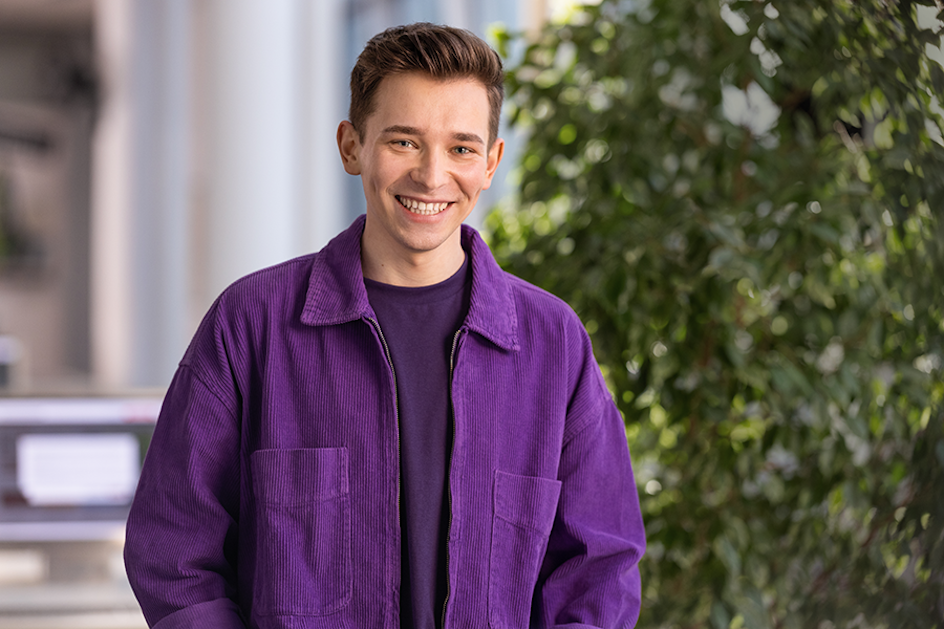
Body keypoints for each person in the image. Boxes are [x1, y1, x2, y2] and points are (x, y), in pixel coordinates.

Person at [124, 22, 645, 629]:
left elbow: (597, 573)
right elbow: (175, 555)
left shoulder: (553, 344)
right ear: (352, 146)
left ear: (491, 162)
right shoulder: (251, 326)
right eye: (403, 141)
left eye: (461, 148)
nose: (431, 175)